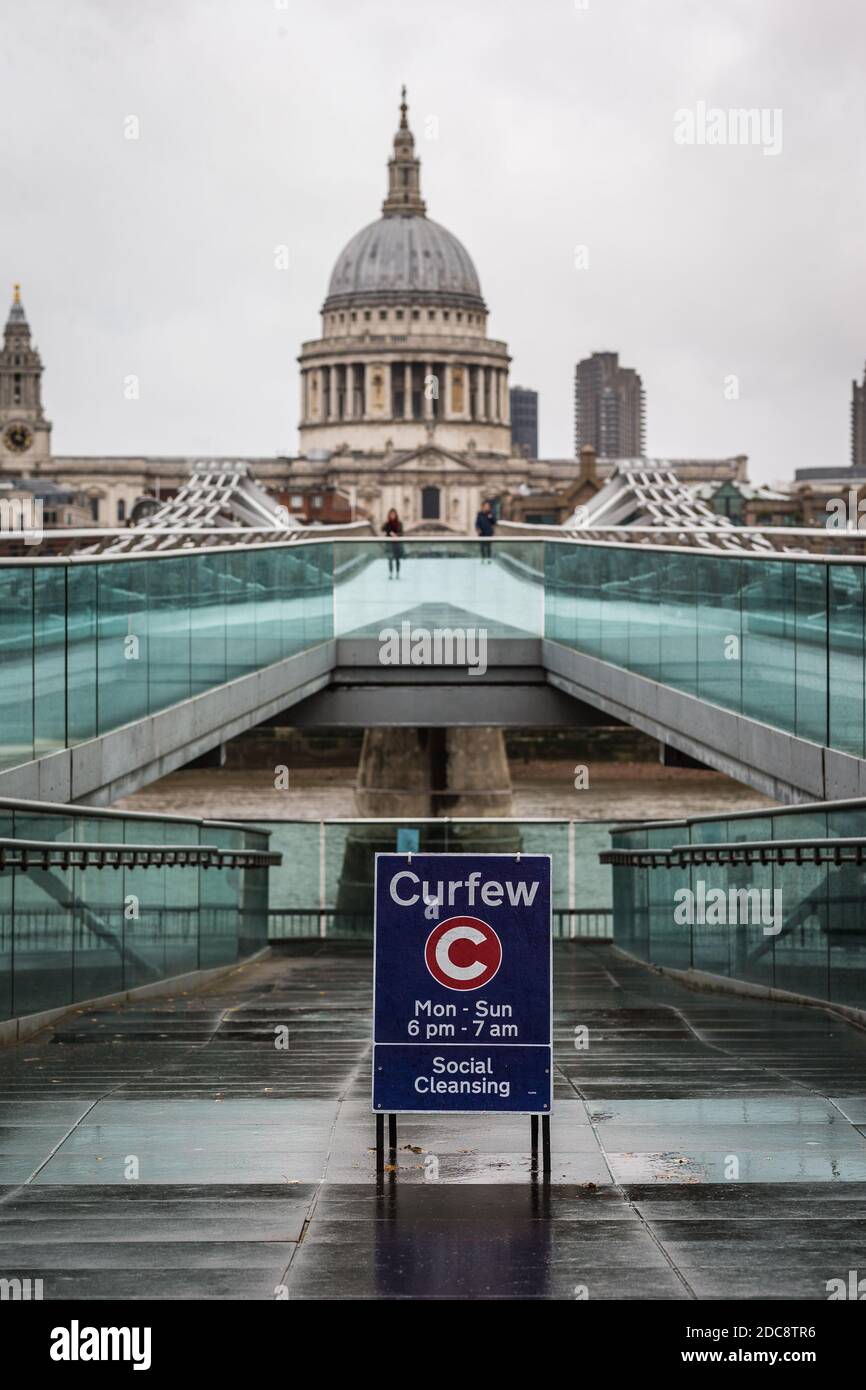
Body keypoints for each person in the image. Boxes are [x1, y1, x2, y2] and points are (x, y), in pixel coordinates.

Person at [382, 508, 404, 578]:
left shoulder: (399, 523)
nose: (392, 516)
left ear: (396, 515)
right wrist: (389, 532)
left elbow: (402, 533)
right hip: (389, 544)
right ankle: (391, 573)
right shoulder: (387, 523)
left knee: (397, 559)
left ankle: (397, 573)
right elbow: (382, 529)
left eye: (393, 514)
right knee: (390, 559)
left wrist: (396, 535)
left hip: (397, 543)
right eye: (391, 514)